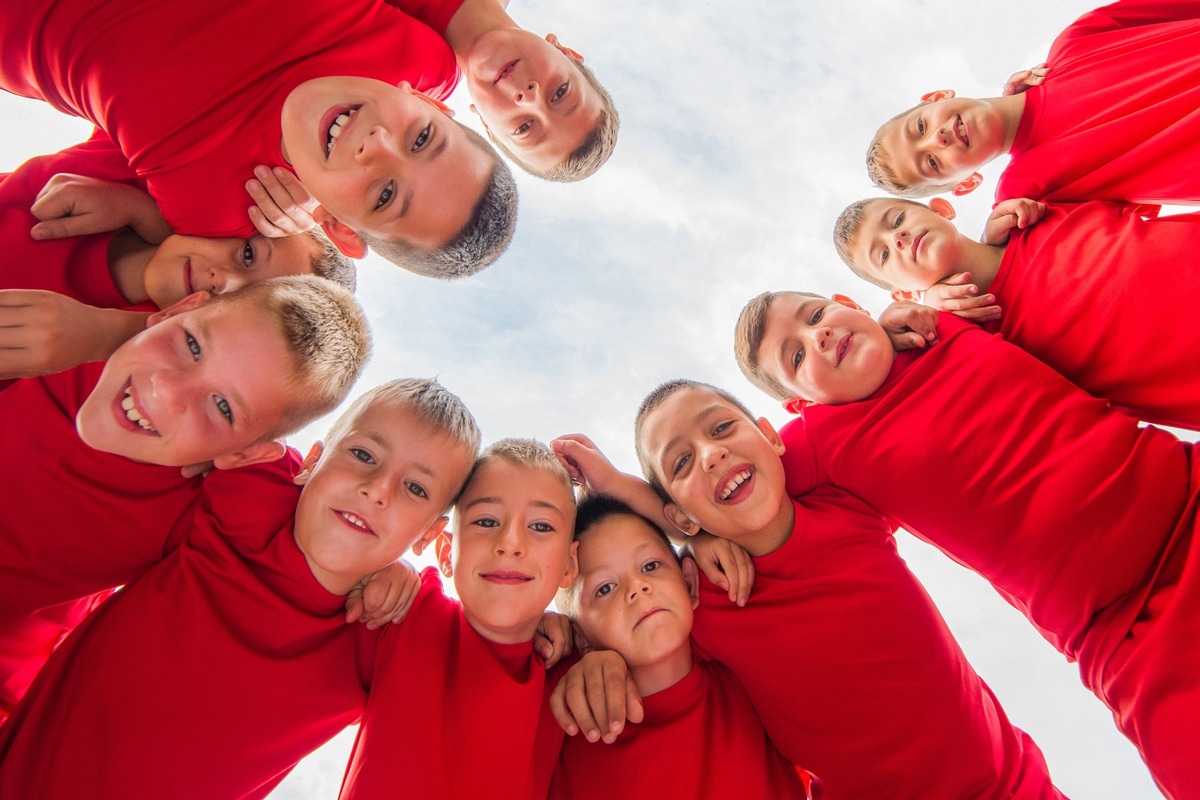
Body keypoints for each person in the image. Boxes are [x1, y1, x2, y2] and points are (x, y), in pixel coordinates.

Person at [735, 291, 1200, 798]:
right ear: (799, 406)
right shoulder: (824, 441)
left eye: (817, 315)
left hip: (1188, 496)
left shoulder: (943, 321)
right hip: (1125, 634)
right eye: (796, 357)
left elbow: (1003, 255)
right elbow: (728, 492)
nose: (816, 336)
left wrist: (934, 294)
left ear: (853, 304)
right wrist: (706, 543)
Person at [548, 407, 1063, 799]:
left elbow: (853, 401)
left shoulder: (836, 502)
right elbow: (597, 622)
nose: (710, 454)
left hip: (1016, 783)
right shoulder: (703, 618)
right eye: (682, 461)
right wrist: (588, 654)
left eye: (721, 429)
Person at [0, 379, 480, 798]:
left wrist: (553, 627)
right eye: (362, 455)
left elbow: (492, 662)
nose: (378, 489)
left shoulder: (384, 630)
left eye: (415, 489)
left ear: (426, 535)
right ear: (311, 461)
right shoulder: (251, 486)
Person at [0, 276, 370, 714]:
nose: (166, 392)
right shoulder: (66, 327)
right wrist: (107, 329)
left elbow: (331, 528)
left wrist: (381, 573)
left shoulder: (206, 504)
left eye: (223, 407)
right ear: (177, 311)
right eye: (192, 346)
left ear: (243, 452)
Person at [0, 0, 518, 276]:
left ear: (339, 228)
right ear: (432, 104)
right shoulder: (418, 54)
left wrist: (141, 216)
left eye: (385, 195)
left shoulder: (222, 210)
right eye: (423, 138)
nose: (377, 144)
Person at [832, 195, 1200, 431]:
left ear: (940, 209)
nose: (896, 239)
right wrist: (924, 313)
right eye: (882, 255)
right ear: (902, 292)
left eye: (896, 220)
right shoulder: (980, 340)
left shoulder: (1036, 210)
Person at [339, 439, 579, 800]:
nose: (510, 543)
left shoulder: (571, 681)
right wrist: (375, 567)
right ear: (446, 552)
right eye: (486, 521)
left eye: (541, 527)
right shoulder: (402, 613)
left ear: (569, 566)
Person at [551, 495, 816, 799]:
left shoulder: (750, 679)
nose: (637, 587)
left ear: (689, 583)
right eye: (605, 588)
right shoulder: (567, 725)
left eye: (650, 566)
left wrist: (697, 540)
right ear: (581, 639)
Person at [1, 165, 353, 381]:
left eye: (242, 302)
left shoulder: (101, 364)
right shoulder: (127, 175)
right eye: (248, 254)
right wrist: (142, 209)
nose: (225, 281)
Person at [865, 1, 1200, 205]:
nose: (936, 140)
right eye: (933, 163)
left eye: (920, 127)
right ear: (967, 184)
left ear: (936, 97)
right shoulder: (1028, 191)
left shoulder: (1076, 42)